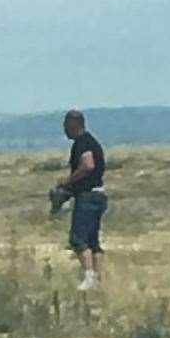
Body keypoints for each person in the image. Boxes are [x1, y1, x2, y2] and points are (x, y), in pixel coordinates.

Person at [57, 110, 107, 291]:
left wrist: (68, 181)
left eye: (66, 126)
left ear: (73, 124)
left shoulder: (83, 142)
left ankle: (89, 278)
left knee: (78, 238)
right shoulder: (92, 141)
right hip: (99, 194)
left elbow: (88, 165)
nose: (64, 130)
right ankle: (98, 279)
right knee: (93, 241)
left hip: (88, 197)